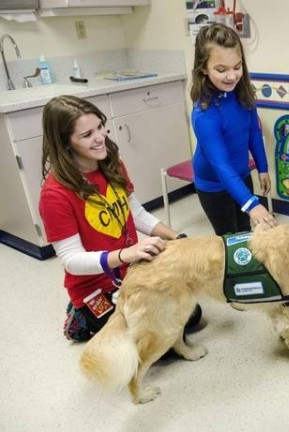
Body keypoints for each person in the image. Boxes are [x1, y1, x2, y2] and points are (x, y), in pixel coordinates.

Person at [39, 95, 202, 343]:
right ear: (65, 143)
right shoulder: (55, 195)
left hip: (131, 272)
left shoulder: (110, 163)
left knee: (190, 316)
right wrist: (127, 254)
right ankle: (80, 317)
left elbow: (135, 213)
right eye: (86, 135)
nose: (100, 137)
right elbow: (71, 260)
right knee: (148, 341)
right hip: (94, 285)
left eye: (100, 127)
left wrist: (176, 237)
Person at [190, 23, 276, 235]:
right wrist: (252, 204)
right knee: (229, 239)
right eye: (221, 70)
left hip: (240, 174)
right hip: (214, 185)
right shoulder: (204, 114)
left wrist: (263, 168)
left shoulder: (243, 93)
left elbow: (254, 134)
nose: (231, 76)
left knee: (245, 231)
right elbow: (221, 166)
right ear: (203, 68)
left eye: (237, 67)